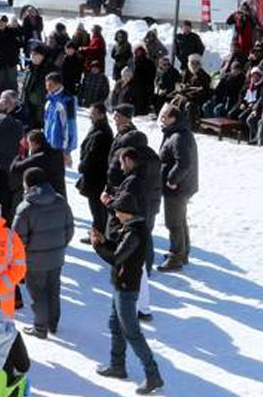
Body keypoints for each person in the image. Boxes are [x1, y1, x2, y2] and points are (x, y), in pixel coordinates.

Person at [91, 191, 164, 395]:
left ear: (126, 212)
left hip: (127, 288)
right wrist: (104, 240)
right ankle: (117, 365)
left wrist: (98, 246)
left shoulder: (134, 232)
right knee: (115, 325)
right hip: (120, 283)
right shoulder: (131, 228)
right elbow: (117, 248)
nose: (115, 213)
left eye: (117, 210)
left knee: (132, 332)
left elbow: (117, 257)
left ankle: (153, 375)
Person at [12, 168, 74, 339]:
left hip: (34, 260)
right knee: (53, 289)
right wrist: (60, 246)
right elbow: (69, 229)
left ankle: (40, 328)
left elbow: (17, 239)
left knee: (37, 293)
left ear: (28, 184)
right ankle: (53, 324)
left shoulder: (25, 208)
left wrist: (22, 255)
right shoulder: (60, 201)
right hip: (56, 256)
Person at [157, 105, 198, 272]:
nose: (162, 119)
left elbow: (184, 163)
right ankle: (182, 253)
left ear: (173, 118)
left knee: (173, 222)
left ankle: (176, 256)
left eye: (165, 117)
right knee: (179, 220)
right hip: (182, 185)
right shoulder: (175, 133)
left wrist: (172, 179)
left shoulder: (179, 136)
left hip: (178, 187)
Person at [77, 103, 114, 238]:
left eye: (93, 113)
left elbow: (93, 155)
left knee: (97, 206)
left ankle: (99, 233)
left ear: (101, 114)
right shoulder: (99, 128)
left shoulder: (102, 132)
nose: (90, 116)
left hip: (96, 176)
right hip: (95, 175)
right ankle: (99, 230)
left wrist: (83, 166)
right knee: (97, 206)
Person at [43, 72, 78, 167]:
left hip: (60, 145)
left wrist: (67, 150)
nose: (48, 88)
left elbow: (70, 126)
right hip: (49, 143)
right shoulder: (49, 101)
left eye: (51, 85)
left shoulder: (67, 101)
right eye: (46, 85)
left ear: (59, 84)